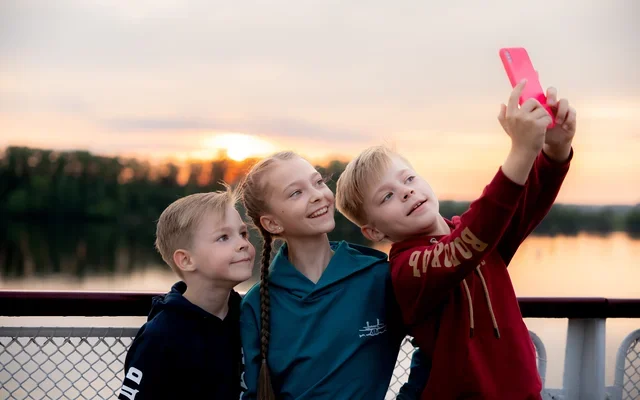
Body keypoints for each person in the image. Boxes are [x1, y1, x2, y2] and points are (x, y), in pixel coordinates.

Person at [335, 80, 576, 399]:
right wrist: (521, 151)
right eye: (387, 196)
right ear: (374, 232)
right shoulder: (406, 270)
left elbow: (526, 202)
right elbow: (462, 248)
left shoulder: (481, 239)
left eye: (409, 178)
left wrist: (555, 150)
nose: (406, 191)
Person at [238, 151, 428, 399]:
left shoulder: (380, 278)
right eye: (296, 193)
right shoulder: (256, 304)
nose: (318, 195)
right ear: (272, 224)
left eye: (318, 182)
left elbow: (435, 345)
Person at [118, 188, 255, 400]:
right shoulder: (161, 336)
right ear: (186, 260)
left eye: (243, 234)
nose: (243, 244)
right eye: (223, 237)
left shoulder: (250, 317)